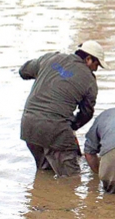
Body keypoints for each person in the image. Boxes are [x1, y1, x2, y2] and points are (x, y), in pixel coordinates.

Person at [19, 40, 108, 177]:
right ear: (89, 59)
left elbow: (24, 71)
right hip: (56, 130)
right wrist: (73, 126)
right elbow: (87, 113)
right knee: (71, 179)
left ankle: (40, 197)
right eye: (96, 65)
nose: (96, 70)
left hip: (28, 126)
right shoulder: (90, 81)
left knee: (44, 174)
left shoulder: (50, 58)